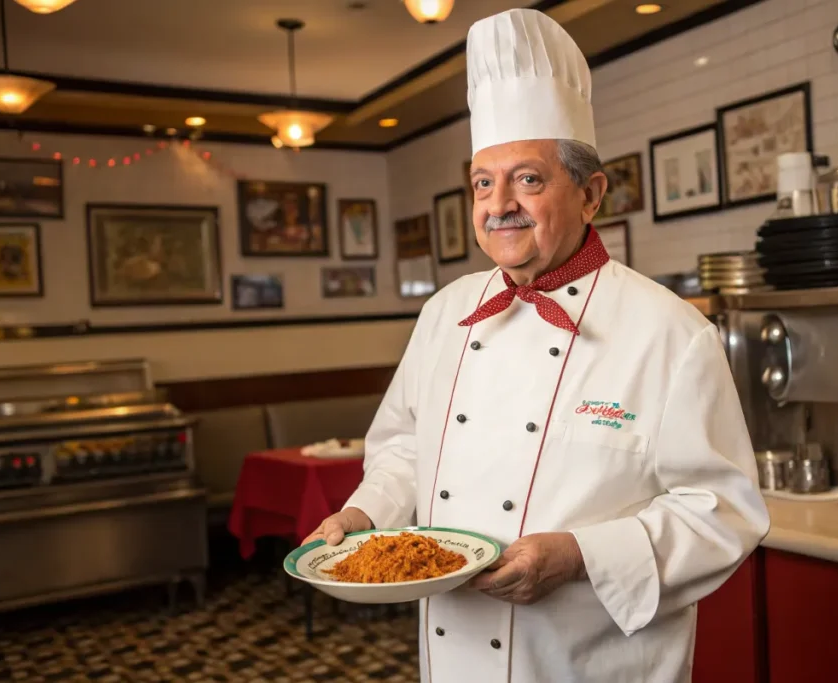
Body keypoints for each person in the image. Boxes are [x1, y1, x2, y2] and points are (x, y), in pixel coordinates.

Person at [304, 8, 769, 682]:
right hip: (455, 652)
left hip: (590, 661)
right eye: (483, 183)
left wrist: (581, 555)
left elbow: (723, 511)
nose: (500, 206)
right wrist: (364, 510)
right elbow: (404, 446)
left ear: (591, 194)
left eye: (528, 179)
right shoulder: (444, 314)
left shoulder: (671, 332)